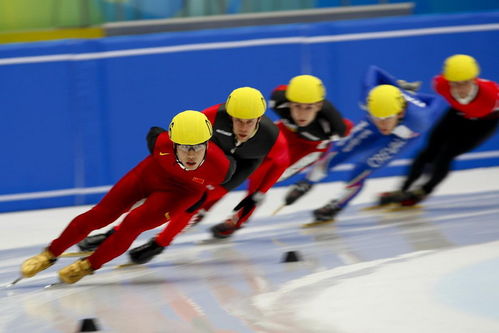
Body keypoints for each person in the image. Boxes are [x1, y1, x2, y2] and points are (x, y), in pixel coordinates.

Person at [20, 110, 235, 284]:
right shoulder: (160, 143)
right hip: (149, 175)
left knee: (132, 223)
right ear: (173, 143)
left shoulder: (221, 168)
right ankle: (49, 254)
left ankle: (89, 265)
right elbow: (153, 132)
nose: (190, 155)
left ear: (208, 144)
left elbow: (212, 190)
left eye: (197, 148)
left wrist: (193, 205)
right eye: (184, 147)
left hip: (180, 194)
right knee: (100, 215)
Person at [78, 87, 289, 263]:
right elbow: (183, 135)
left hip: (242, 164)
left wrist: (259, 192)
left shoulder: (271, 137)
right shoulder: (212, 116)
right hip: (210, 153)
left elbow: (281, 163)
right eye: (238, 120)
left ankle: (160, 243)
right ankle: (114, 233)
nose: (242, 127)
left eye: (249, 122)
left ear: (260, 119)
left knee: (196, 202)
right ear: (229, 115)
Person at [284, 65, 443, 226]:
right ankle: (306, 183)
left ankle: (336, 205)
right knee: (341, 151)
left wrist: (406, 93)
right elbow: (373, 70)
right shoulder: (367, 98)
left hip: (403, 135)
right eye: (377, 117)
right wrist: (395, 85)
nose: (382, 123)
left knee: (363, 166)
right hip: (372, 123)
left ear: (400, 113)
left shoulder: (420, 119)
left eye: (386, 118)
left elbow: (435, 101)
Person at [204, 75, 353, 238]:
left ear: (318, 106)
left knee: (260, 179)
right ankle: (204, 207)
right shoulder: (278, 100)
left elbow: (348, 134)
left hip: (308, 149)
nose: (301, 113)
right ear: (288, 102)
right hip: (284, 134)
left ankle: (238, 219)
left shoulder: (334, 126)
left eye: (308, 108)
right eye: (297, 106)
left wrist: (309, 180)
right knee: (234, 166)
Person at [380, 54, 499, 206]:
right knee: (428, 150)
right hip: (458, 112)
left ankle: (423, 191)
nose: (460, 89)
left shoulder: (491, 96)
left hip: (485, 121)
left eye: (465, 83)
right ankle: (402, 189)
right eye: (455, 84)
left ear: (474, 80)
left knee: (446, 154)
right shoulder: (440, 84)